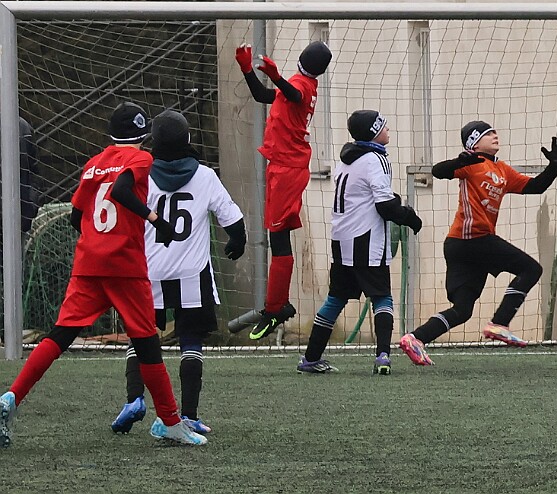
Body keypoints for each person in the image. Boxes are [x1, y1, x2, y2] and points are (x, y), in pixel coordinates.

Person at [0, 103, 205, 447]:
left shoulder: (94, 163)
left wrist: (97, 241)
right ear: (144, 136)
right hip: (124, 266)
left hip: (89, 264)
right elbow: (121, 191)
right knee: (147, 343)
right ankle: (170, 421)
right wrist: (155, 220)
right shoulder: (141, 159)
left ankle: (11, 397)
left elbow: (76, 215)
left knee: (59, 336)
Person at [111, 111, 247, 436]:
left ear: (153, 142)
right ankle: (188, 415)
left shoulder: (141, 174)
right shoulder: (205, 175)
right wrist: (237, 242)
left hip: (148, 271)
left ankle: (134, 399)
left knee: (140, 337)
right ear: (188, 139)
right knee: (191, 340)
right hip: (192, 272)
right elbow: (233, 219)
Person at [397, 122, 557, 365]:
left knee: (463, 310)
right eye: (487, 133)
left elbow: (535, 187)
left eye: (494, 131)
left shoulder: (502, 169)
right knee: (532, 269)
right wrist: (459, 161)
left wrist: (555, 165)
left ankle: (416, 338)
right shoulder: (471, 163)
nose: (495, 135)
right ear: (474, 143)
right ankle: (499, 323)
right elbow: (438, 171)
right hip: (471, 240)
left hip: (465, 245)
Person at [297, 111, 422, 374]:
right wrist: (409, 217)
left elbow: (365, 195)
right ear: (373, 132)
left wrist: (393, 200)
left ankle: (310, 358)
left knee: (336, 299)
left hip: (341, 240)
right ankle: (383, 357)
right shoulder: (376, 159)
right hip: (366, 240)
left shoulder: (347, 159)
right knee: (382, 297)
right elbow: (384, 206)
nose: (388, 129)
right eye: (383, 126)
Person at [236, 40, 333, 340]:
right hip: (282, 166)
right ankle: (277, 305)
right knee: (277, 237)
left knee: (278, 238)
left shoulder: (301, 85)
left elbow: (292, 94)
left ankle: (275, 308)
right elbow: (263, 95)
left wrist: (276, 76)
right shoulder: (300, 83)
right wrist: (247, 70)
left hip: (288, 170)